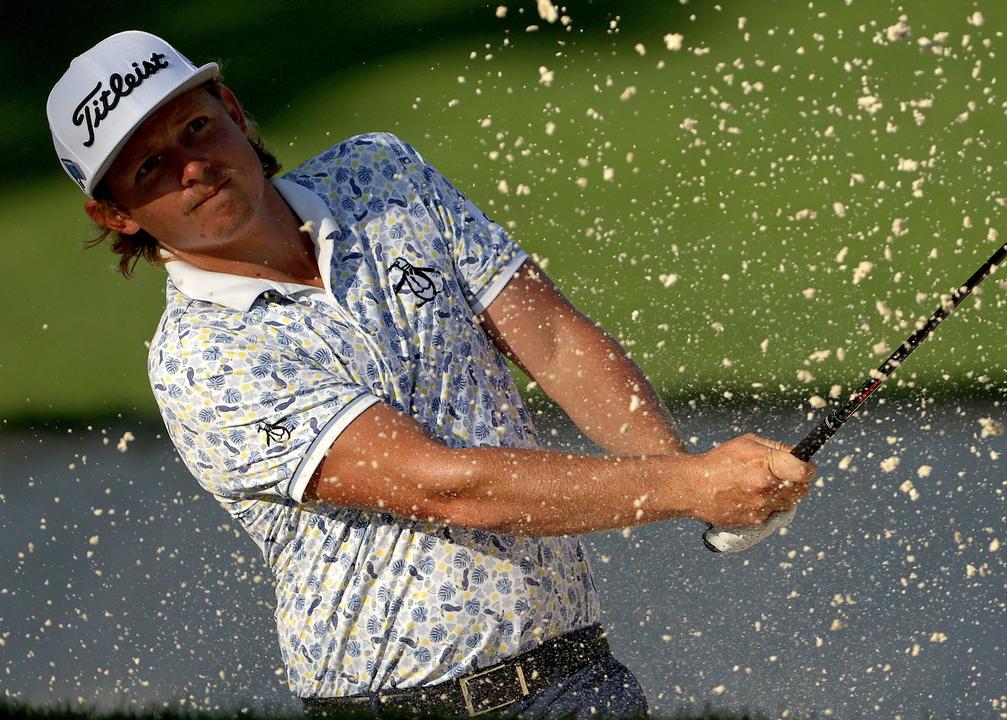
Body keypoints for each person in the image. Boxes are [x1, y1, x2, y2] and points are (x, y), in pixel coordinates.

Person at [48, 31, 814, 719]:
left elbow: (551, 340)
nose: (195, 166)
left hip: (578, 673)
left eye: (196, 126)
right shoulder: (203, 361)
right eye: (151, 166)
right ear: (115, 215)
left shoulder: (380, 174)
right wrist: (689, 488)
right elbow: (448, 487)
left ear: (234, 110)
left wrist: (684, 470)